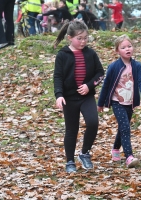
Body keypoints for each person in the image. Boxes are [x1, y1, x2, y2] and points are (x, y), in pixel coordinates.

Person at [53, 20, 104, 173]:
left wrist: (89, 85)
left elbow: (100, 73)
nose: (83, 41)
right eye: (79, 38)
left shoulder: (90, 53)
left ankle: (84, 153)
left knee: (93, 122)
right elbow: (58, 77)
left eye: (85, 38)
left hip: (86, 97)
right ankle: (70, 161)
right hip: (69, 98)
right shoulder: (62, 55)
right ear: (70, 38)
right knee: (71, 130)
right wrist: (59, 95)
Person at [97, 34, 141, 168]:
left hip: (130, 102)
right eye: (123, 47)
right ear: (117, 51)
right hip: (117, 102)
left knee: (123, 127)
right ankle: (129, 156)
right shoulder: (113, 67)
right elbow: (106, 85)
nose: (127, 49)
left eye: (129, 46)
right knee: (125, 127)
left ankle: (115, 149)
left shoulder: (136, 66)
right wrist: (101, 103)